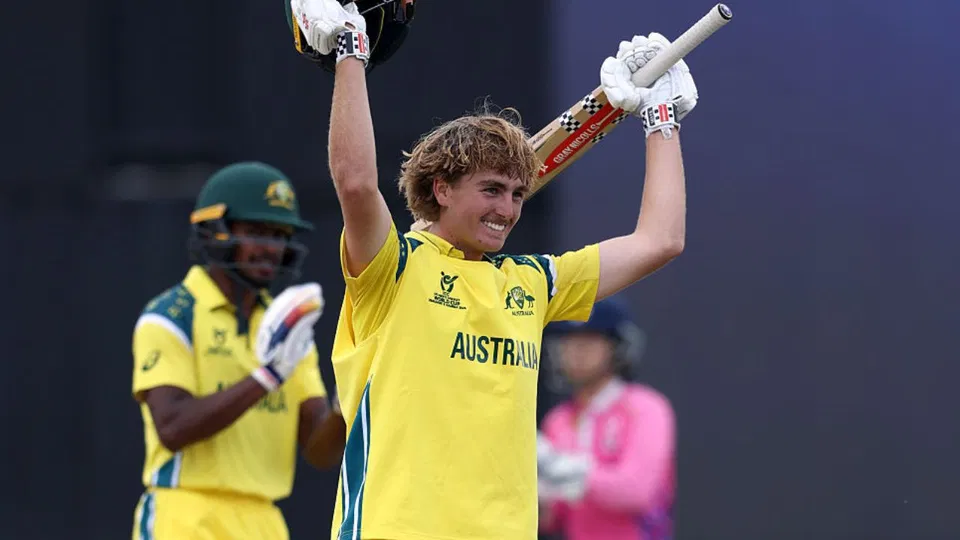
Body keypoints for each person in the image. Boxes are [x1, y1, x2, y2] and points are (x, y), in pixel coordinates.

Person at [290, 1, 698, 537]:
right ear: (441, 188)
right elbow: (356, 183)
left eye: (516, 193)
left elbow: (660, 241)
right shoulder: (392, 267)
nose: (507, 210)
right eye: (490, 190)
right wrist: (350, 50)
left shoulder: (532, 281)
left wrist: (660, 119)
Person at [130, 161, 346, 540]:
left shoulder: (289, 328)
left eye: (280, 235)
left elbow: (319, 450)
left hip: (264, 520)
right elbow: (173, 427)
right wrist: (268, 377)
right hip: (185, 515)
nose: (271, 249)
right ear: (216, 230)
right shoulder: (169, 316)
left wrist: (347, 406)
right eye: (257, 232)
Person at [537, 297, 676, 540]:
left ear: (617, 346)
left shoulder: (646, 408)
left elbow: (637, 490)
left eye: (589, 340)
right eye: (568, 342)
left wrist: (565, 469)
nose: (575, 352)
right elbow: (553, 518)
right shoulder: (557, 421)